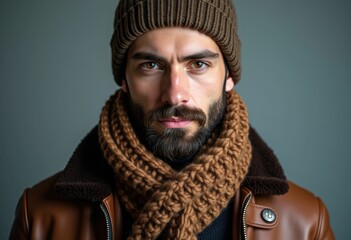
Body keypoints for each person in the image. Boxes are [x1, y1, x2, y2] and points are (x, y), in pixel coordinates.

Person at [10, 0, 335, 239]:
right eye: (151, 65)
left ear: (229, 76)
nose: (174, 94)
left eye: (198, 65)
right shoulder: (40, 215)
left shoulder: (305, 221)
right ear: (124, 78)